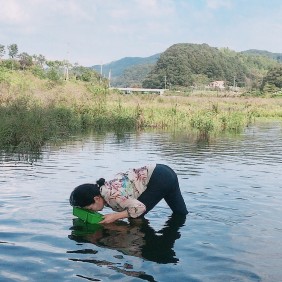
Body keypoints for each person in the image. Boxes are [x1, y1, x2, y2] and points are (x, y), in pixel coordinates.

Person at [69, 164, 188, 224]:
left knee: (136, 215)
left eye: (90, 208)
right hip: (164, 171)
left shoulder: (112, 196)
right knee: (181, 213)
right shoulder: (103, 189)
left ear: (96, 198)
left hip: (159, 178)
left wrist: (115, 217)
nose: (93, 211)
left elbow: (139, 208)